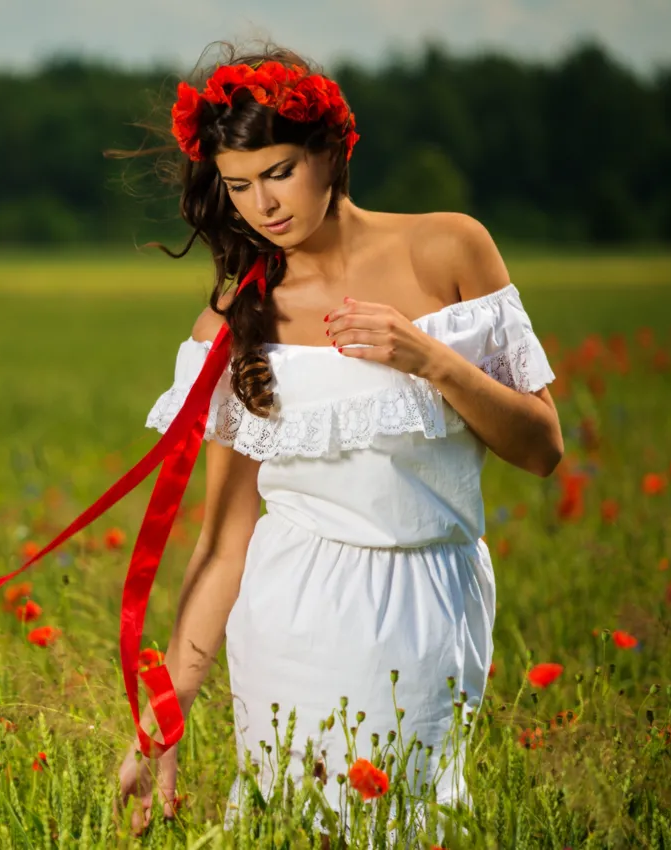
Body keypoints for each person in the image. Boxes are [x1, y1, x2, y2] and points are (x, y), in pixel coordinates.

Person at [109, 42, 563, 840]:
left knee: (407, 822)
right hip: (284, 610)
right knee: (288, 822)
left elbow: (542, 447)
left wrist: (431, 359)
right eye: (239, 184)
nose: (261, 206)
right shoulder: (234, 319)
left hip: (429, 600)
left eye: (279, 171)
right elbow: (222, 544)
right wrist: (164, 717)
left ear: (331, 152)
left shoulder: (449, 247)